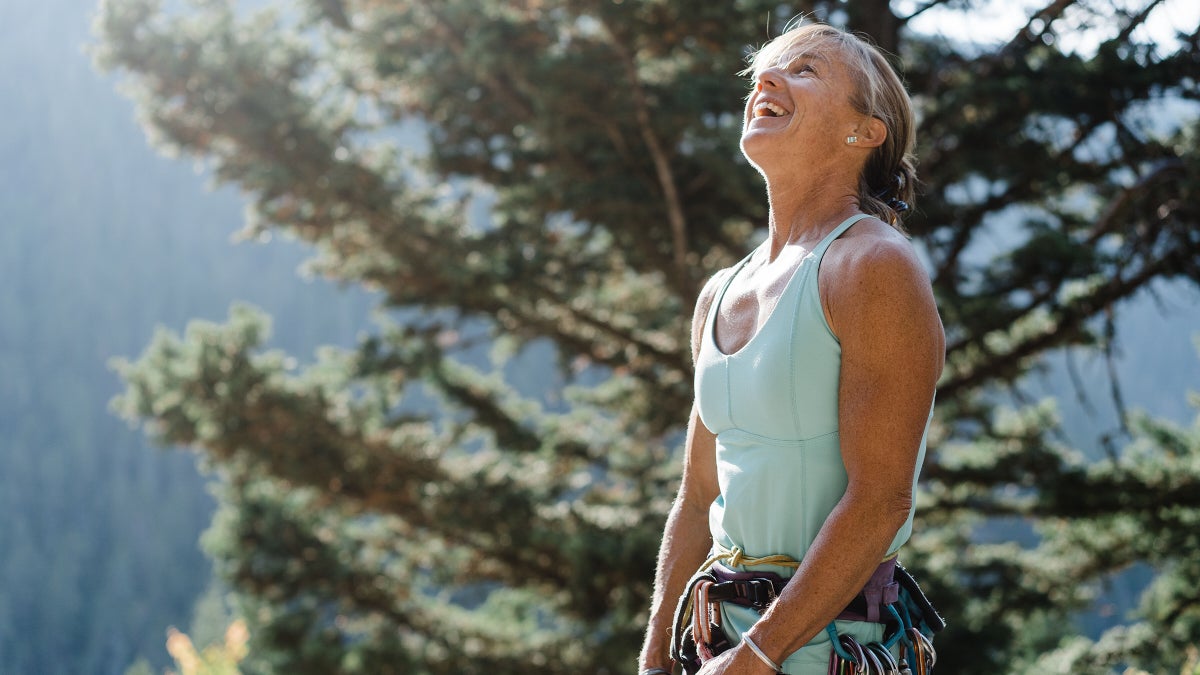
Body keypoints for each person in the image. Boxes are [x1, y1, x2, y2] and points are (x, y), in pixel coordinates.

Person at [637, 20, 945, 675]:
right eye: (765, 72)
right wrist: (657, 651)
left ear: (863, 131)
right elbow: (696, 497)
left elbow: (881, 498)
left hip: (818, 652)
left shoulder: (871, 266)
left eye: (805, 70)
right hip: (718, 645)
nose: (767, 81)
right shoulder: (720, 291)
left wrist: (757, 655)